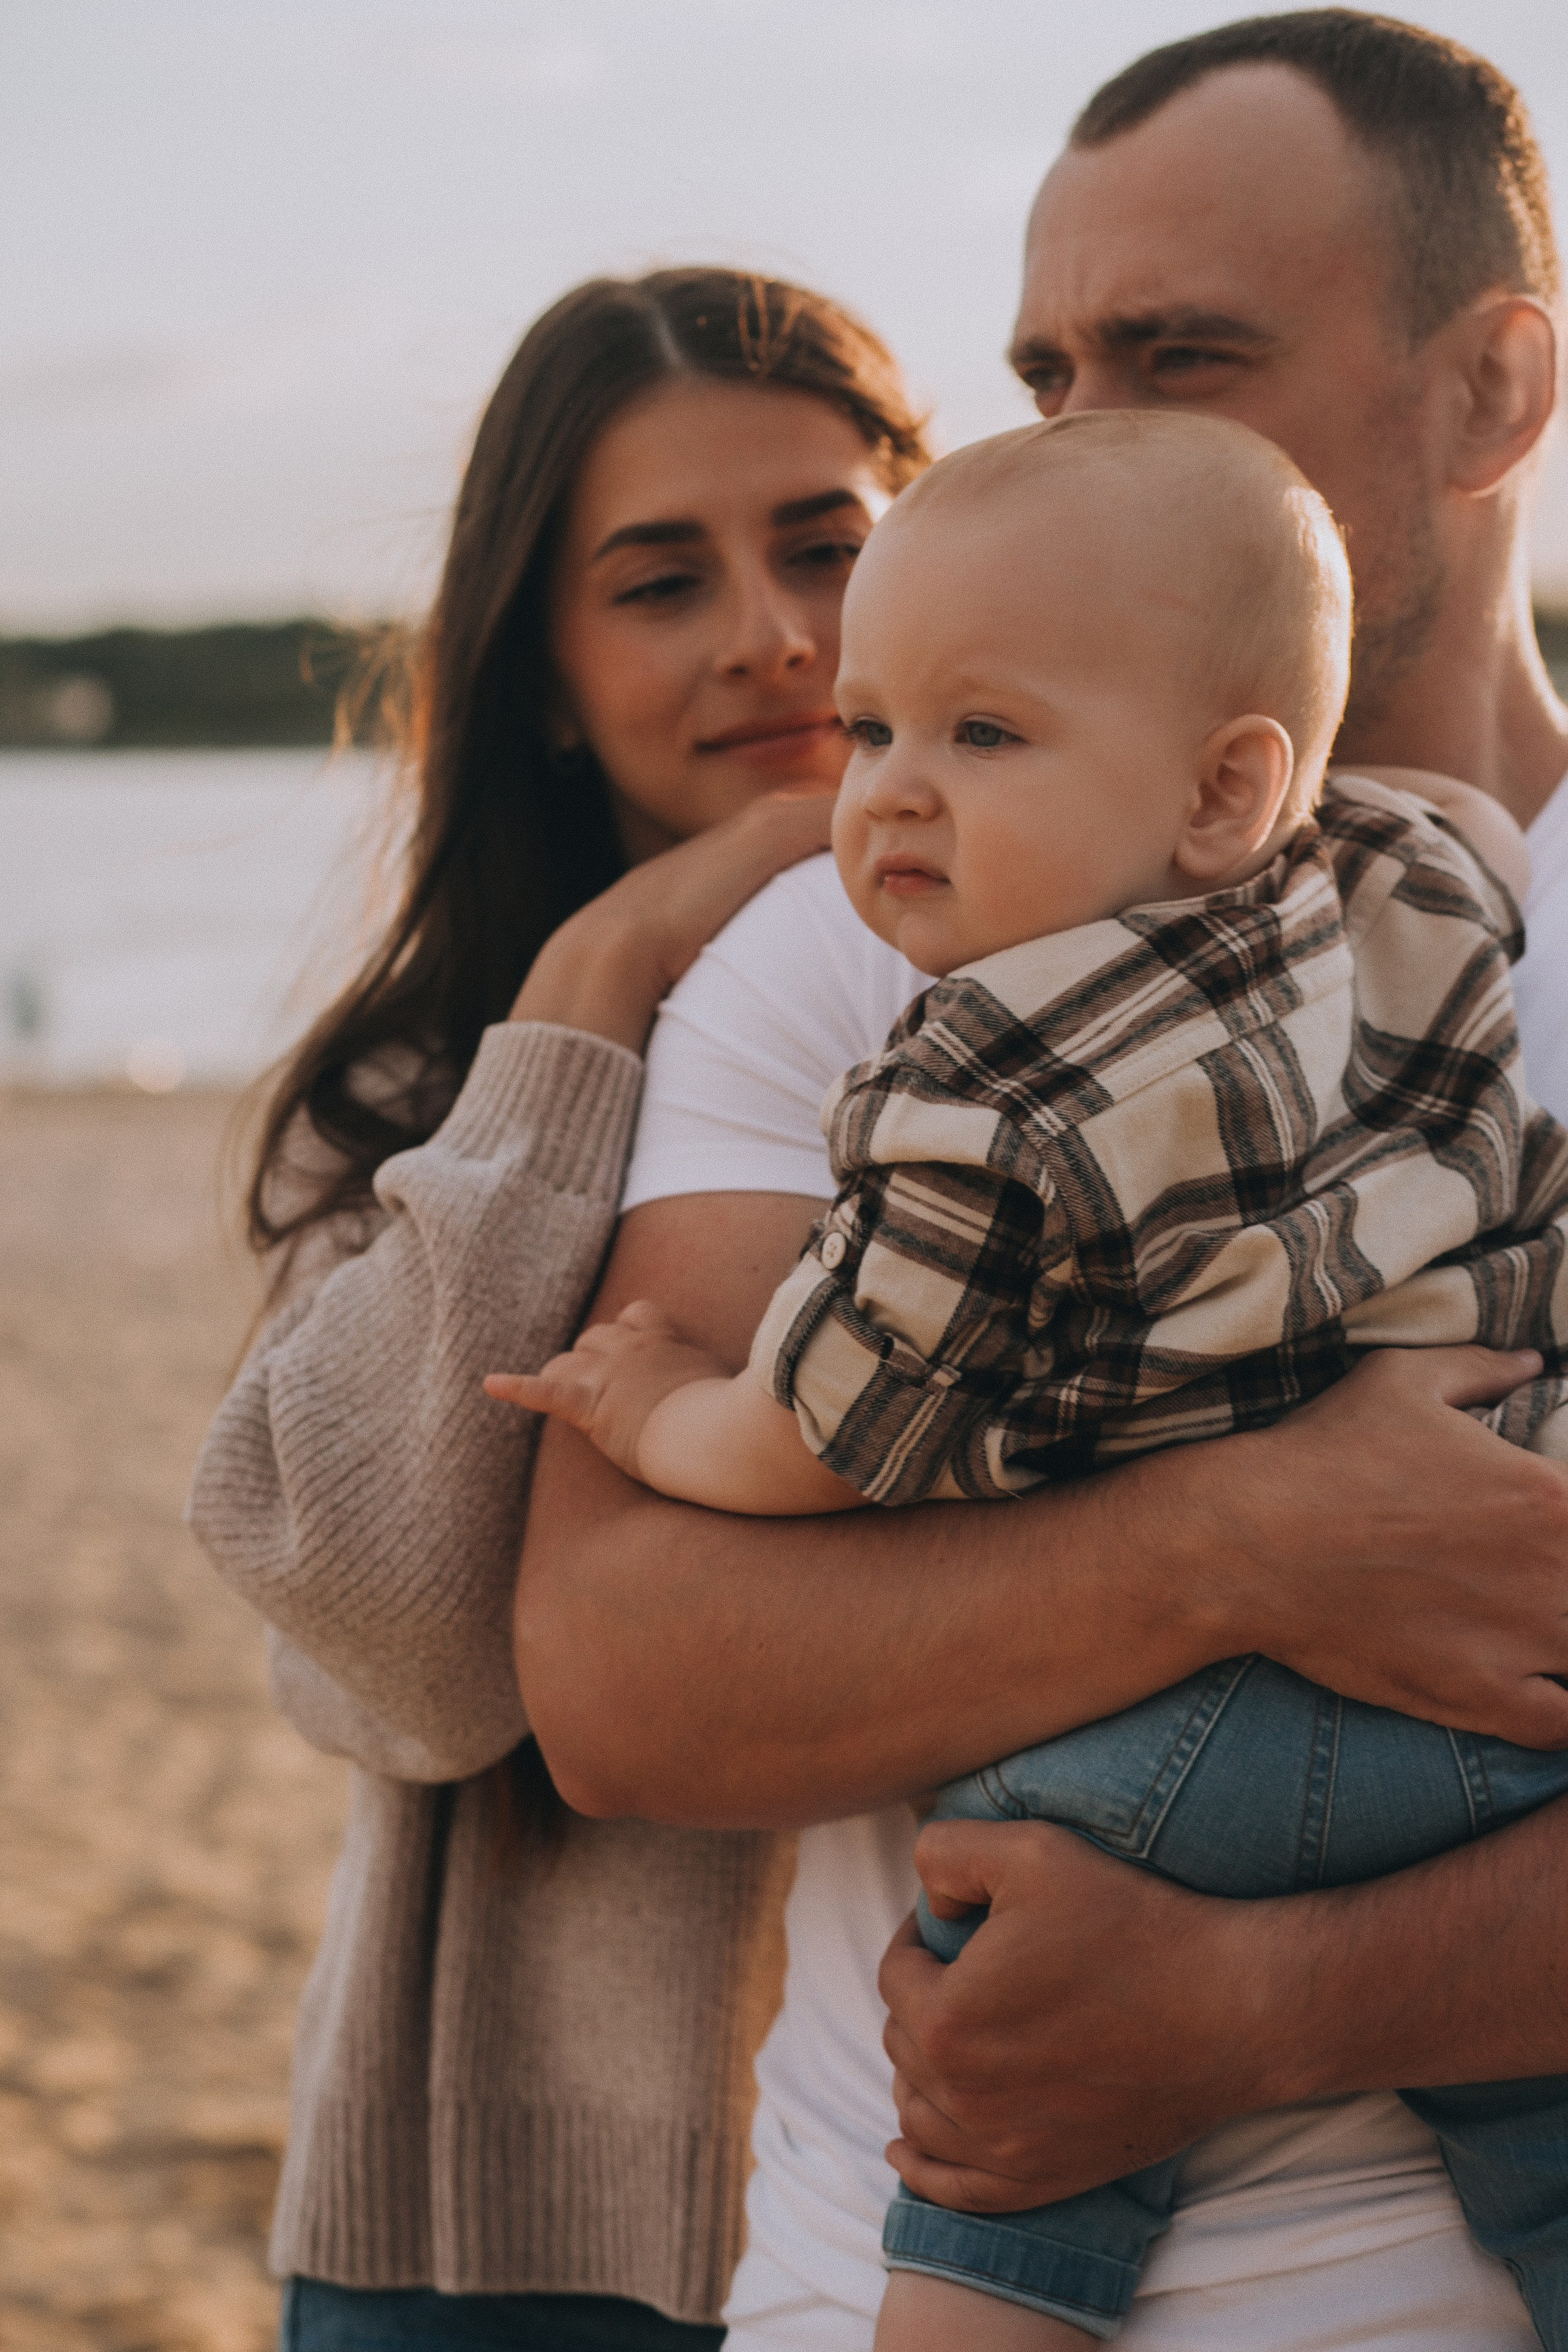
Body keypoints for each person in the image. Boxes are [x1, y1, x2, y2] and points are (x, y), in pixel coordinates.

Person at [516, 17, 1568, 2349]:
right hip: (858, 2278)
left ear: (1494, 389)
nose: (1082, 432)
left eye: (1183, 356)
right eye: (1043, 370)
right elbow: (629, 1683)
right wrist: (1255, 1536)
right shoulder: (858, 935)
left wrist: (1276, 2004)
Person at [186, 266, 930, 2352]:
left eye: (826, 547)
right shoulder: (422, 1097)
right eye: (661, 582)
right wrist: (598, 981)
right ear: (541, 675)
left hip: (954, 2212)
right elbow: (401, 1659)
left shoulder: (1077, 1042)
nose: (772, 634)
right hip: (500, 2248)